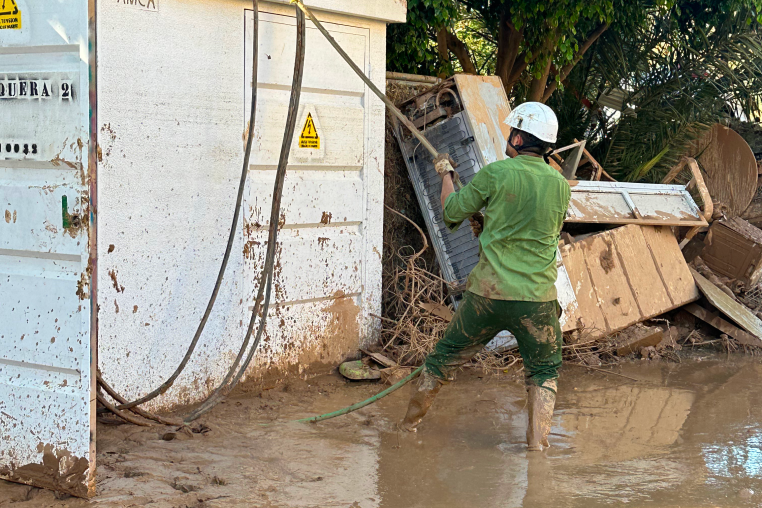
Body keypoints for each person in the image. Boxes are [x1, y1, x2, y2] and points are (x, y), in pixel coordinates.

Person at [399, 102, 571, 452]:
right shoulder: (560, 185)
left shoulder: (497, 174)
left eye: (512, 132)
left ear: (520, 139)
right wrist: (489, 222)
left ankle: (407, 428)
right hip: (537, 300)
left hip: (487, 295)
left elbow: (451, 210)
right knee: (544, 374)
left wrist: (445, 173)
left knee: (443, 360)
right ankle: (538, 449)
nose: (509, 137)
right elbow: (541, 232)